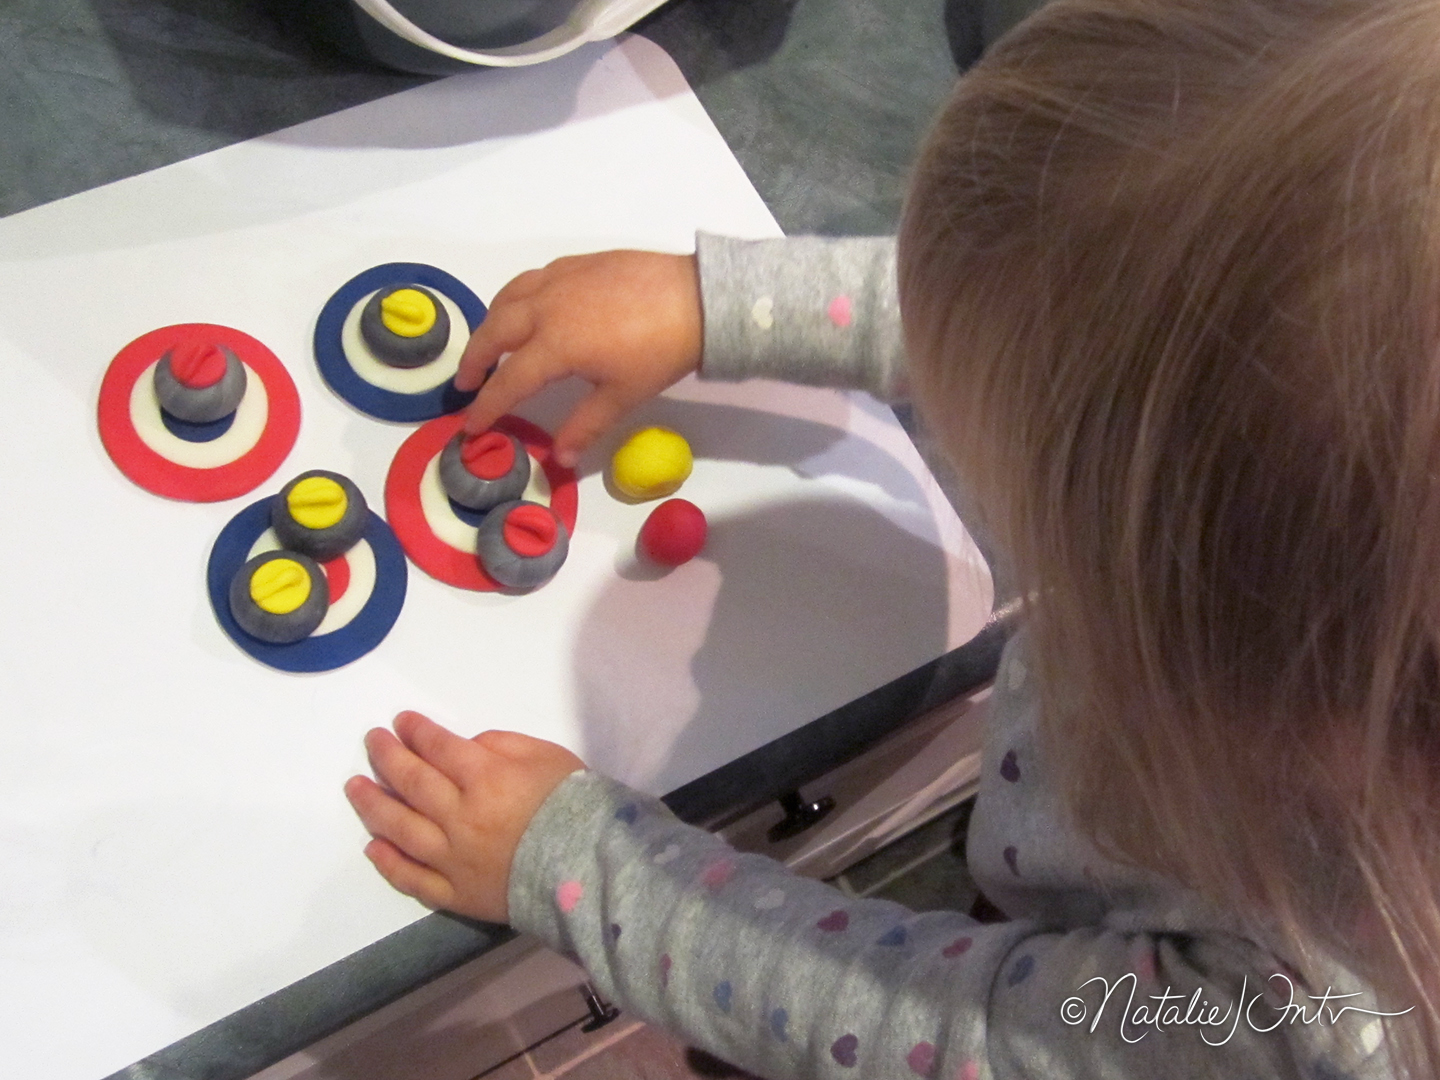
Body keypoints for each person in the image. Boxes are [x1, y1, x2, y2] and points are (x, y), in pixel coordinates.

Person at [344, 0, 1440, 1075]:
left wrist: (589, 878)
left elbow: (930, 1026)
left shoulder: (1281, 1026)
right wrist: (718, 303)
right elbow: (1072, 319)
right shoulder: (1297, 559)